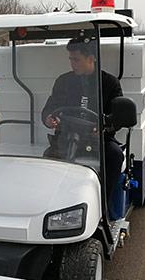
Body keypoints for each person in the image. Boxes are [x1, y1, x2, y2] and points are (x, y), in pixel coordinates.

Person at [41, 38, 124, 200]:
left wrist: (104, 128)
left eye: (76, 60)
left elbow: (117, 118)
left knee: (115, 156)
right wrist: (48, 119)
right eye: (71, 59)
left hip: (98, 142)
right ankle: (52, 204)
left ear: (91, 58)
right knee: (47, 160)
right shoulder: (63, 81)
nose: (72, 64)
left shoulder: (109, 83)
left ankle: (103, 204)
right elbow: (49, 108)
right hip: (66, 138)